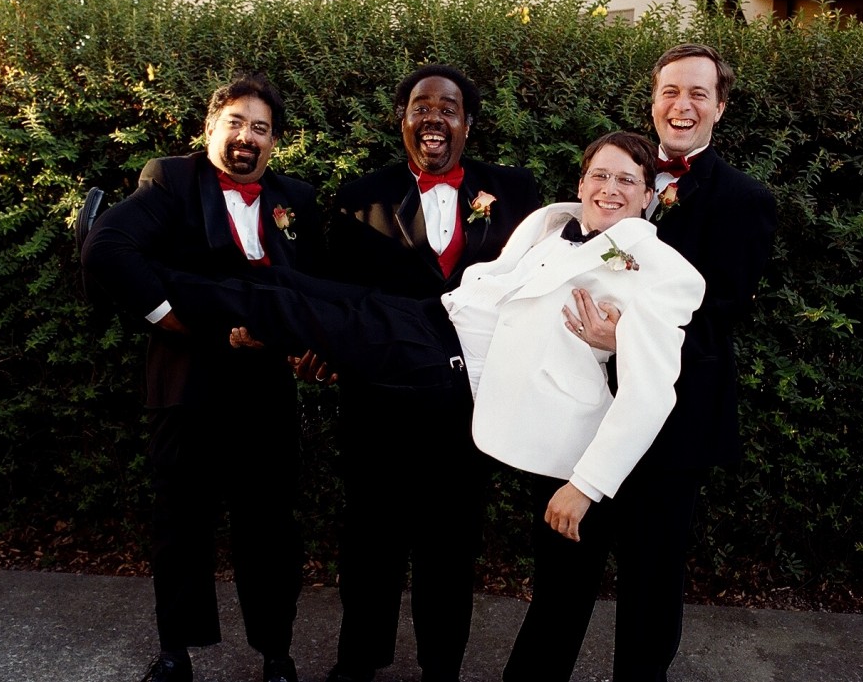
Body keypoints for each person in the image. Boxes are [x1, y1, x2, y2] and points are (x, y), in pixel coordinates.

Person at [159, 131, 703, 682]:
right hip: (436, 314)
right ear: (581, 182)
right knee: (296, 286)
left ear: (648, 196)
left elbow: (651, 393)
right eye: (600, 175)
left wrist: (586, 484)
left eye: (627, 180)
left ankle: (160, 289)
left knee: (314, 318)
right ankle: (191, 281)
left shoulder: (666, 272)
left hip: (455, 366)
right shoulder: (551, 222)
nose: (610, 189)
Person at [524, 43, 778, 681]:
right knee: (561, 574)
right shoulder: (618, 176)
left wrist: (628, 339)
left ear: (719, 106)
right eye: (671, 91)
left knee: (650, 583)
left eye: (698, 93)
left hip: (675, 427)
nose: (682, 105)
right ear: (654, 100)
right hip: (584, 416)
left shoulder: (744, 199)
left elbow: (721, 314)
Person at [80, 72, 325, 682]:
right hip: (187, 385)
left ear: (274, 141)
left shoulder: (296, 198)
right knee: (181, 525)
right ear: (211, 127)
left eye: (261, 128)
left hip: (264, 392)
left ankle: (276, 654)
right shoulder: (171, 180)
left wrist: (302, 341)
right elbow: (106, 245)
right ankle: (175, 654)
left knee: (270, 529)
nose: (247, 137)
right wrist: (174, 321)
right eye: (236, 122)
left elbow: (317, 286)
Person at [323, 63, 542, 682]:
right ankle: (358, 662)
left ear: (468, 124)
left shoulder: (515, 192)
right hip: (379, 403)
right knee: (371, 543)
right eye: (421, 107)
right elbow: (339, 296)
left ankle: (441, 667)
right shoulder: (360, 197)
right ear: (403, 120)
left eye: (448, 108)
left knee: (451, 547)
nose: (434, 118)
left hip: (467, 406)